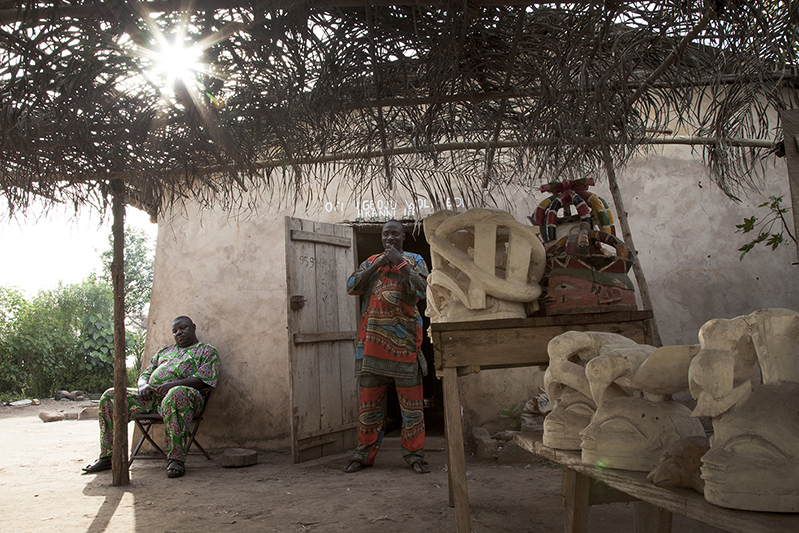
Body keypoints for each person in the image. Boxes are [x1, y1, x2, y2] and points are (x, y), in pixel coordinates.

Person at [82, 316, 219, 478]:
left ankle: (175, 459)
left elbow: (203, 380)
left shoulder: (207, 351)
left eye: (183, 328)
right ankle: (108, 456)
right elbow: (145, 374)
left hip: (183, 399)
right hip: (152, 399)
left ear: (193, 327)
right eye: (175, 331)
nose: (179, 333)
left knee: (177, 393)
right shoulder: (165, 351)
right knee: (110, 396)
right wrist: (143, 386)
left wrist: (171, 385)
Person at [343, 220, 431, 474]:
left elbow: (424, 290)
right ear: (381, 237)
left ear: (403, 237)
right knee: (369, 405)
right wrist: (376, 266)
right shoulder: (371, 260)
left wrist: (400, 263)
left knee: (412, 407)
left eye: (395, 233)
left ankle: (415, 455)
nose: (390, 238)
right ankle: (363, 455)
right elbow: (351, 287)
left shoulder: (415, 260)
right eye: (385, 234)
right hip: (370, 346)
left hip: (405, 346)